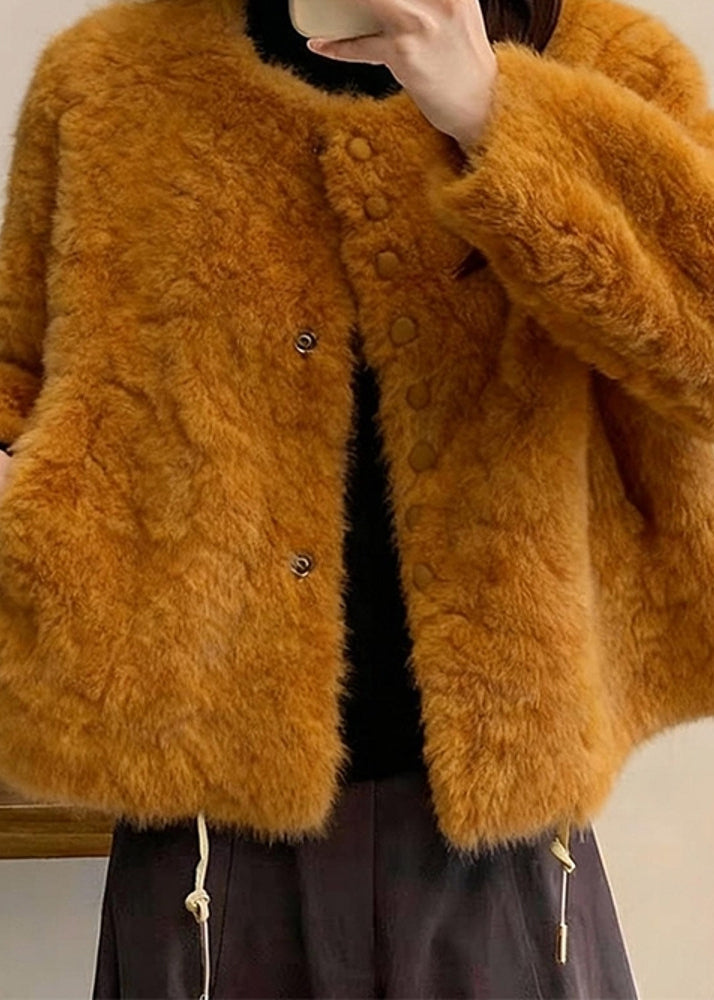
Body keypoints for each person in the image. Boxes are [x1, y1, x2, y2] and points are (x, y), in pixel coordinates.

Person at [2, 0, 714, 995]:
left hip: (499, 849)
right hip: (199, 848)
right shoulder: (107, 80)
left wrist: (495, 113)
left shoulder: (610, 64)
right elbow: (20, 380)